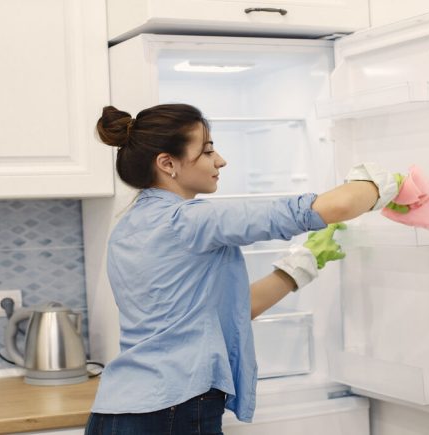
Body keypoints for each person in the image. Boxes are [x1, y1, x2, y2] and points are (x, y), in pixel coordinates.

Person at [86, 103, 399, 435]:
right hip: (172, 411)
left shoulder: (127, 226)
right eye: (207, 151)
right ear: (167, 163)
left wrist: (300, 265)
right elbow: (338, 205)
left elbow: (222, 312)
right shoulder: (192, 220)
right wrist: (387, 183)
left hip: (113, 414)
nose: (220, 160)